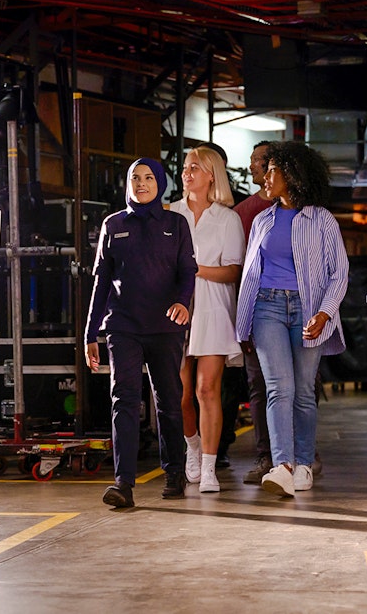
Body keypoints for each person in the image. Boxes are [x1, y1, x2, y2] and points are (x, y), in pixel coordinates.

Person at [235, 141, 349, 498]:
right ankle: (282, 466)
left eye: (272, 170)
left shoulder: (322, 220)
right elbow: (251, 274)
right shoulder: (262, 221)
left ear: (292, 174)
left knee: (302, 392)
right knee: (277, 389)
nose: (265, 177)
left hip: (308, 309)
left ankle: (303, 464)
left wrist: (325, 312)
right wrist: (244, 321)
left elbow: (339, 272)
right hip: (266, 308)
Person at [85, 157, 198, 508]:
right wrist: (90, 333)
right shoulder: (113, 224)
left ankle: (174, 473)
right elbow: (101, 283)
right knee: (124, 401)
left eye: (149, 177)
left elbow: (187, 272)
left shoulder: (176, 224)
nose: (142, 184)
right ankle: (124, 484)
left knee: (168, 402)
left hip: (165, 327)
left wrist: (183, 303)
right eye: (135, 178)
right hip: (123, 327)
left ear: (160, 182)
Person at [170, 146, 245, 493]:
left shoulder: (227, 218)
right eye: (185, 168)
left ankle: (210, 467)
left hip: (214, 308)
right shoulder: (170, 214)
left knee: (206, 389)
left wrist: (193, 268)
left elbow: (232, 271)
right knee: (182, 393)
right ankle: (193, 448)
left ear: (211, 174)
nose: (187, 173)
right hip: (176, 309)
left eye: (195, 167)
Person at [232, 140, 276, 483]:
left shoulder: (305, 209)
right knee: (259, 385)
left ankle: (301, 454)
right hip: (258, 309)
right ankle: (266, 457)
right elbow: (239, 272)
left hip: (297, 311)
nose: (251, 168)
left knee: (301, 386)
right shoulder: (244, 212)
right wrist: (242, 321)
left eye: (257, 161)